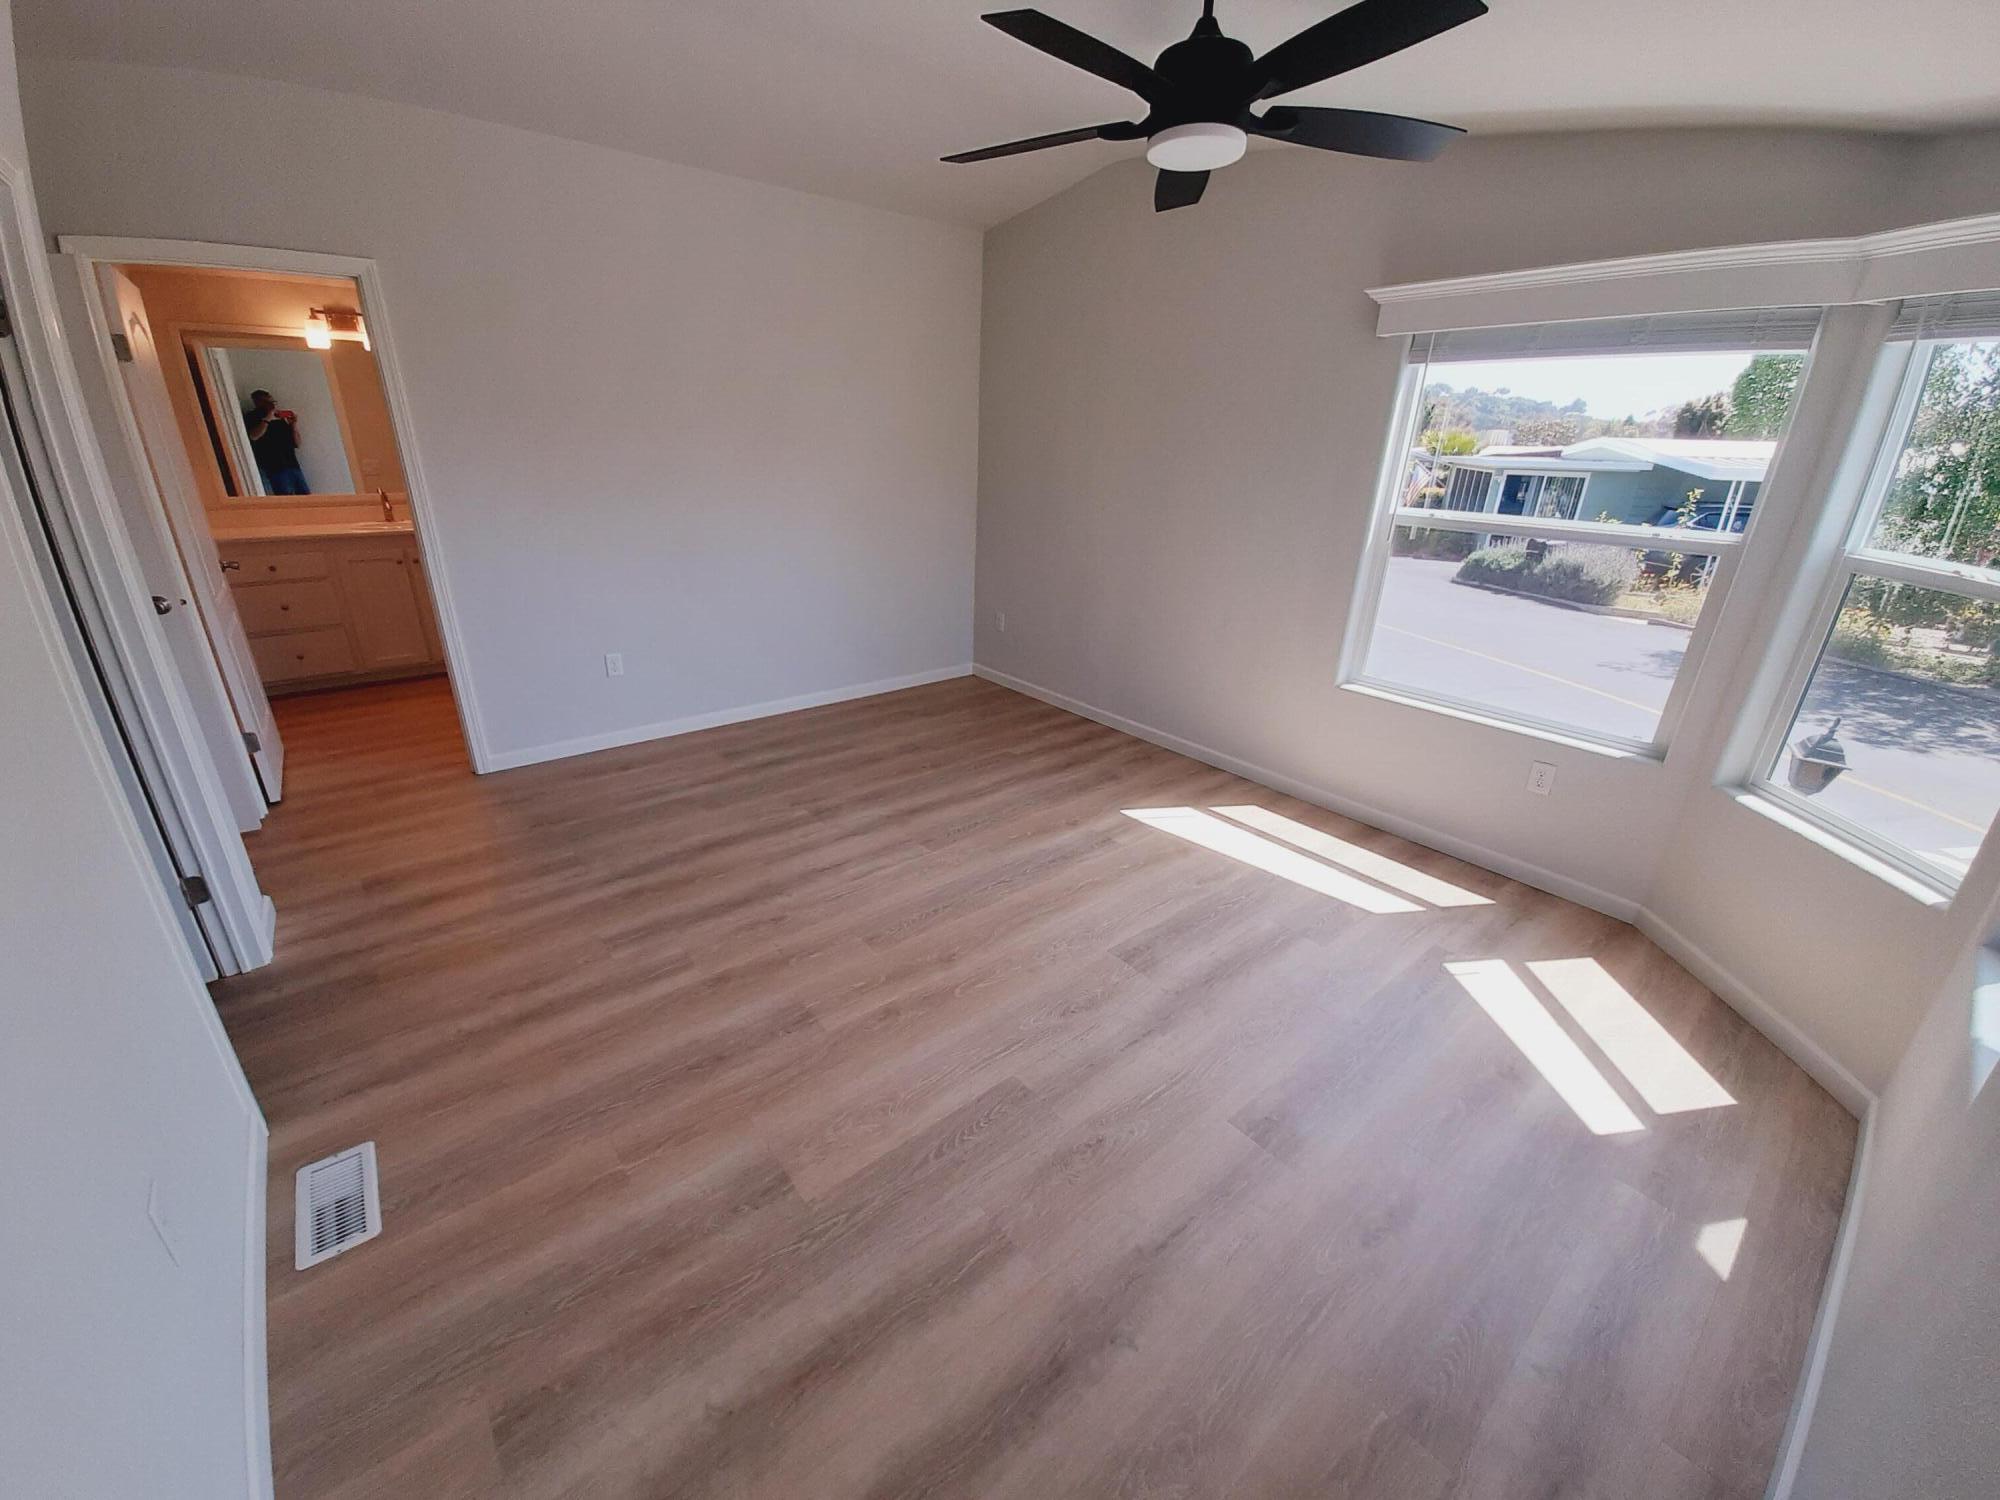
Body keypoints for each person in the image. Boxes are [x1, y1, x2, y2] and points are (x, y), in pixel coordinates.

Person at [244, 389, 311, 494]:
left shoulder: (280, 419)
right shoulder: (252, 417)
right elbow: (253, 436)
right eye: (268, 402)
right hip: (274, 468)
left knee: (306, 499)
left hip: (293, 465)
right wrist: (267, 419)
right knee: (286, 500)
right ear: (257, 402)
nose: (272, 405)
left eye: (273, 402)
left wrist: (293, 425)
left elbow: (297, 443)